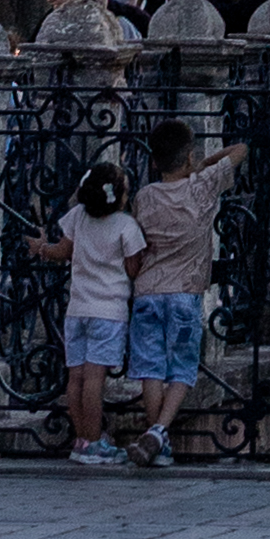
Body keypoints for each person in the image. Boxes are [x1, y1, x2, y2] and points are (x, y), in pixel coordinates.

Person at [121, 118, 241, 464]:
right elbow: (240, 150)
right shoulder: (201, 186)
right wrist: (200, 165)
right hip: (185, 293)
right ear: (188, 157)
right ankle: (158, 432)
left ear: (154, 162)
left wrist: (189, 165)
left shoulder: (144, 197)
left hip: (147, 292)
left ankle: (158, 442)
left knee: (151, 369)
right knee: (182, 368)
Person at [31, 148, 146, 465]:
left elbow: (62, 252)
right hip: (108, 312)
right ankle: (95, 442)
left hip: (77, 309)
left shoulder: (77, 217)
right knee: (95, 379)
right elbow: (134, 268)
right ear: (120, 197)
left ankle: (81, 440)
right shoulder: (126, 226)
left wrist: (41, 248)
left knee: (76, 377)